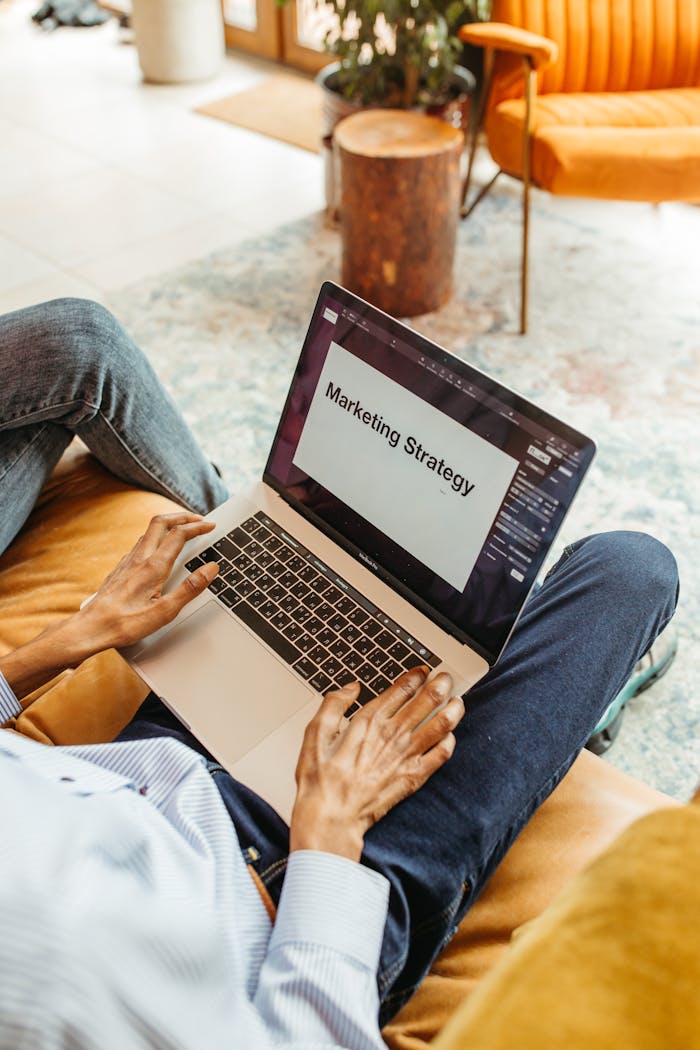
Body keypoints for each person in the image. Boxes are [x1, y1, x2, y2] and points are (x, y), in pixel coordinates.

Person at [0, 299, 680, 1048]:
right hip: (295, 888)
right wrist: (332, 828)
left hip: (155, 760)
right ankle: (580, 716)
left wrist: (71, 638)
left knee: (344, 561)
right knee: (632, 569)